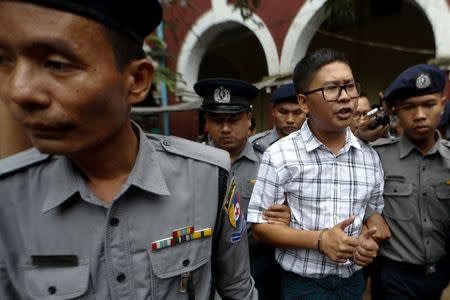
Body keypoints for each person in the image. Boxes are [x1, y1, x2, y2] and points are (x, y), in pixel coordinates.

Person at [0, 1, 258, 299]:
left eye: (58, 64)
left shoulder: (208, 178)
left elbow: (237, 289)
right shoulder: (9, 198)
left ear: (136, 80)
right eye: (4, 61)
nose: (19, 91)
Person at [247, 48, 385, 299]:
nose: (345, 97)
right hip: (302, 286)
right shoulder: (280, 155)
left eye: (350, 86)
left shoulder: (369, 157)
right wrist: (320, 240)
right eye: (331, 88)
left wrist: (367, 242)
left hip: (352, 283)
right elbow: (260, 228)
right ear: (304, 102)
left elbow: (372, 214)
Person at [195, 78, 287, 299]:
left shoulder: (270, 163)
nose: (225, 129)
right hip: (203, 268)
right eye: (217, 120)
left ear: (248, 118)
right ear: (206, 120)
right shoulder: (190, 165)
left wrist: (287, 217)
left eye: (234, 120)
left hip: (259, 267)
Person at [370, 64, 450, 300]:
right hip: (394, 279)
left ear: (442, 105)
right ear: (396, 111)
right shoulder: (376, 157)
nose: (420, 115)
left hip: (442, 275)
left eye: (429, 104)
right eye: (409, 107)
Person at [250, 83, 306, 152]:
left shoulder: (318, 143)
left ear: (307, 113)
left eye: (297, 113)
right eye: (283, 112)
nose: (290, 120)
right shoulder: (255, 144)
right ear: (273, 111)